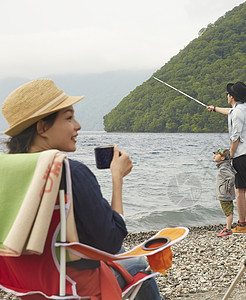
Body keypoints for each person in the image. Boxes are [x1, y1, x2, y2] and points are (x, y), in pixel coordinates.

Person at [1, 79, 163, 299]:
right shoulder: (70, 172)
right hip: (72, 287)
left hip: (28, 287)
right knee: (138, 265)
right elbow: (112, 243)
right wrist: (117, 178)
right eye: (69, 118)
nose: (78, 126)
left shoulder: (8, 172)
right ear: (42, 127)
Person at [206, 81, 246, 233]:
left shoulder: (238, 112)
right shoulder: (243, 108)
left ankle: (242, 225)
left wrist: (231, 153)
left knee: (240, 190)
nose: (227, 96)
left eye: (228, 94)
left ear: (232, 97)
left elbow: (236, 136)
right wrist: (214, 109)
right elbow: (229, 111)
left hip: (243, 155)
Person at [213, 148, 236, 237]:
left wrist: (228, 188)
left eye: (216, 154)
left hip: (224, 193)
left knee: (228, 212)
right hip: (226, 193)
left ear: (222, 158)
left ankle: (228, 229)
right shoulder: (227, 165)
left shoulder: (223, 168)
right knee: (229, 211)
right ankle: (228, 227)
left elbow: (232, 177)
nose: (214, 156)